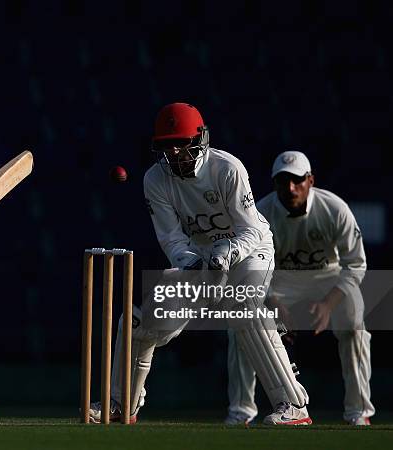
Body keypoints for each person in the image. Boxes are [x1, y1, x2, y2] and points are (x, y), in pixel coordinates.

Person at [89, 103, 311, 425]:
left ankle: (293, 406)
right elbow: (172, 239)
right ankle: (121, 404)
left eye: (181, 142)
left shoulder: (227, 169)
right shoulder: (155, 179)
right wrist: (190, 263)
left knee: (242, 307)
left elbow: (251, 229)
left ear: (201, 139)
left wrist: (228, 254)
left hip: (250, 250)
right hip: (202, 259)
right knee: (140, 323)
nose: (175, 152)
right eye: (167, 145)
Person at [226, 150, 373, 426]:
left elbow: (355, 265)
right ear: (275, 184)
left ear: (310, 180)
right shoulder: (260, 214)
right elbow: (250, 270)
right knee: (240, 325)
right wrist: (273, 302)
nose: (290, 188)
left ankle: (358, 411)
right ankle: (241, 412)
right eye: (283, 181)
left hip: (328, 279)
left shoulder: (335, 209)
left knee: (355, 324)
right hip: (279, 282)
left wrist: (329, 305)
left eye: (297, 180)